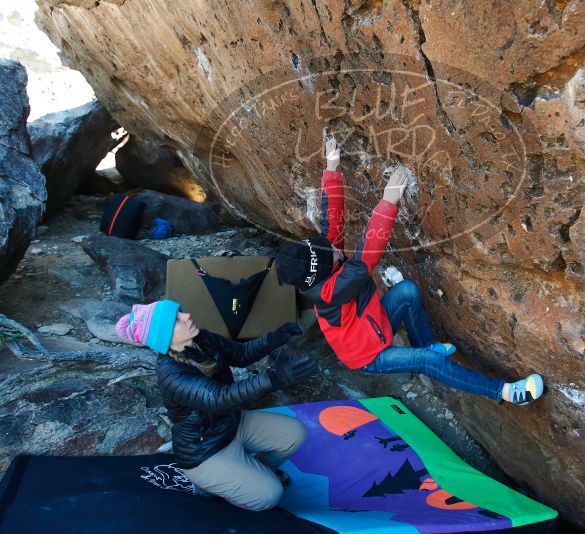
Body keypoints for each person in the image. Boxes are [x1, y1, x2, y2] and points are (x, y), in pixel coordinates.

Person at [275, 138, 544, 406]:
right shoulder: (329, 292)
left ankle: (427, 346)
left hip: (372, 326)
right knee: (427, 362)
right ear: (318, 274)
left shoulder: (325, 260)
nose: (334, 248)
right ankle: (506, 393)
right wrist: (387, 203)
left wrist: (332, 168)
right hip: (367, 356)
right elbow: (364, 260)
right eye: (328, 252)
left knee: (407, 292)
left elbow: (330, 222)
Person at [115, 300, 317, 511]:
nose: (186, 316)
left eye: (180, 312)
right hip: (205, 450)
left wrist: (274, 338)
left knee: (294, 433)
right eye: (176, 320)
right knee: (270, 495)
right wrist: (276, 378)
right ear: (163, 337)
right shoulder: (171, 375)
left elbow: (240, 354)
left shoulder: (201, 339)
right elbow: (219, 399)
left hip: (231, 423)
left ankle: (253, 473)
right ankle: (214, 485)